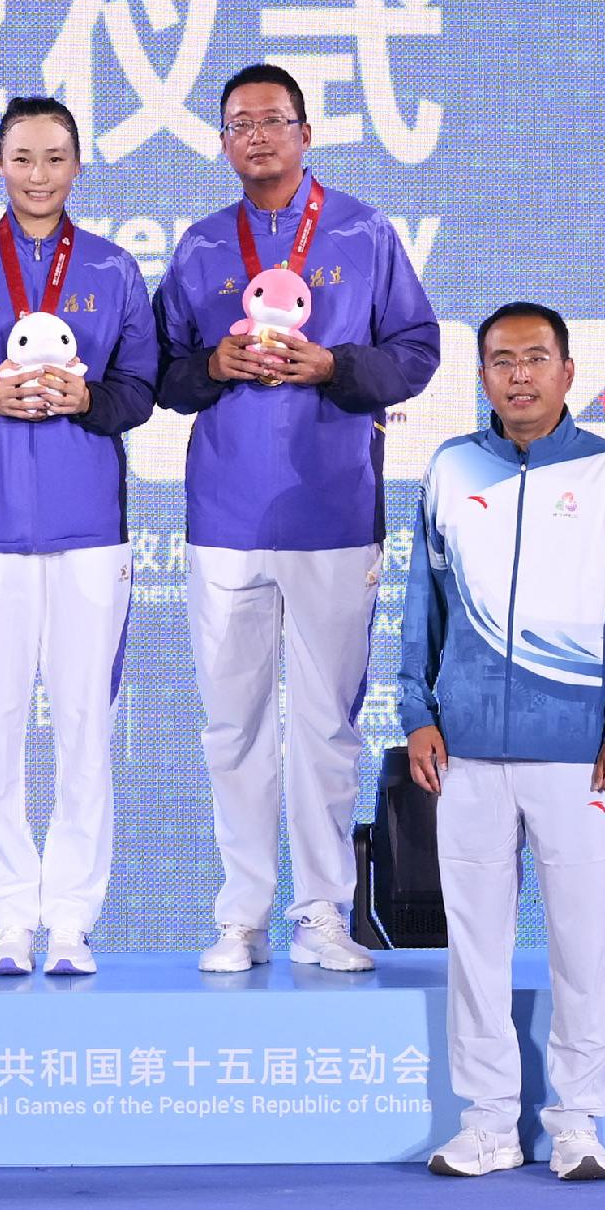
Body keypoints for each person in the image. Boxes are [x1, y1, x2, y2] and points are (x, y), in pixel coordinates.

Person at [154, 62, 440, 975]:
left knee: (326, 723)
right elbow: (156, 376)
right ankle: (242, 912)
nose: (259, 137)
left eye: (275, 121)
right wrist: (214, 366)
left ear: (307, 133)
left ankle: (322, 912)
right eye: (240, 124)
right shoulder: (202, 247)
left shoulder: (362, 232)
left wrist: (335, 369)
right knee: (231, 724)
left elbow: (418, 350)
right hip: (225, 518)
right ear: (222, 141)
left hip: (335, 509)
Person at [396, 304, 605, 1183]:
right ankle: (488, 1125)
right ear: (481, 377)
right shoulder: (449, 467)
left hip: (574, 749)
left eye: (535, 359)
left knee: (584, 943)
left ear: (568, 372)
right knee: (476, 945)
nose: (518, 375)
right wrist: (417, 712)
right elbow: (421, 605)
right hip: (466, 747)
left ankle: (579, 1121)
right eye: (501, 361)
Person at [0, 96, 160, 976]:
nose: (38, 174)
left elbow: (141, 391)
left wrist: (90, 400)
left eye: (55, 157)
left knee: (88, 726)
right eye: (22, 157)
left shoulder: (116, 269)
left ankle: (74, 918)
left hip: (91, 531)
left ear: (78, 166)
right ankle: (11, 916)